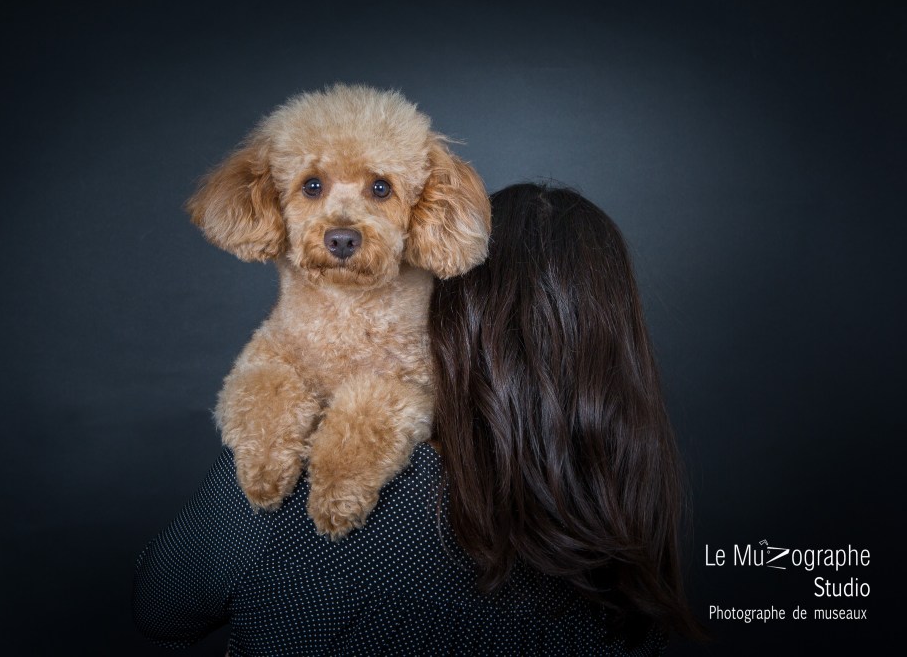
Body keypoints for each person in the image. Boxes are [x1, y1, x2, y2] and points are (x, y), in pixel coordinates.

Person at [133, 182, 700, 655]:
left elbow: (162, 606)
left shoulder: (306, 460)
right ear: (618, 348)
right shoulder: (626, 520)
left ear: (444, 311)